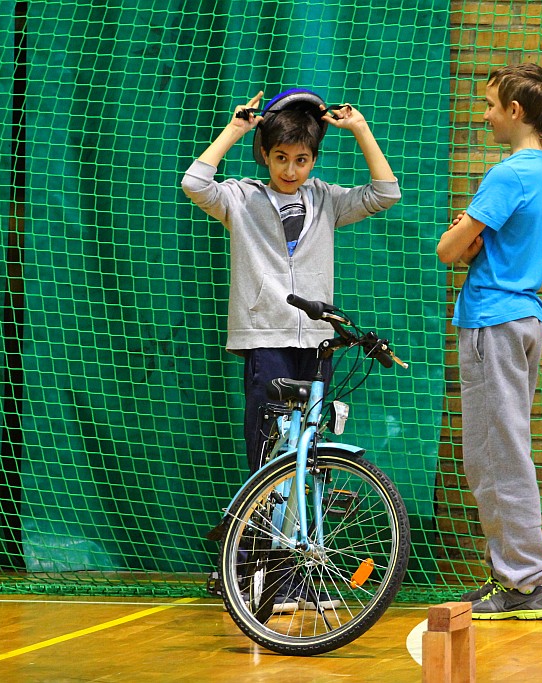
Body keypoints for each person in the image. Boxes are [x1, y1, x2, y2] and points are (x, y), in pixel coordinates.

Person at [182, 91, 400, 612]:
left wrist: (360, 129)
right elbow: (195, 182)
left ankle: (301, 577)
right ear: (265, 155)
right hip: (266, 340)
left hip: (317, 342)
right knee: (269, 458)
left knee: (311, 459)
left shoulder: (325, 198)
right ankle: (262, 577)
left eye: (301, 159)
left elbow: (385, 192)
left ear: (314, 160)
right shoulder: (239, 197)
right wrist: (236, 129)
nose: (291, 169)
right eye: (280, 157)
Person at [436, 63, 542, 620]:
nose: (484, 114)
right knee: (501, 450)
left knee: (496, 455)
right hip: (520, 320)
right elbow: (471, 244)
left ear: (515, 111)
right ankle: (514, 576)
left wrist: (465, 226)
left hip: (495, 322)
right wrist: (471, 234)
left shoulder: (509, 173)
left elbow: (449, 249)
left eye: (491, 105)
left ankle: (522, 582)